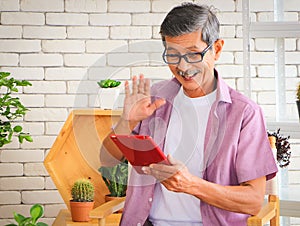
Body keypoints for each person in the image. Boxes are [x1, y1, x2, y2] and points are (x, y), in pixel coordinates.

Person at [100, 2, 278, 226]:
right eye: (173, 55)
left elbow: (253, 201)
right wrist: (127, 121)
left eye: (193, 54)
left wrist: (191, 185)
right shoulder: (154, 99)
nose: (183, 66)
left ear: (217, 49)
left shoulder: (244, 113)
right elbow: (106, 160)